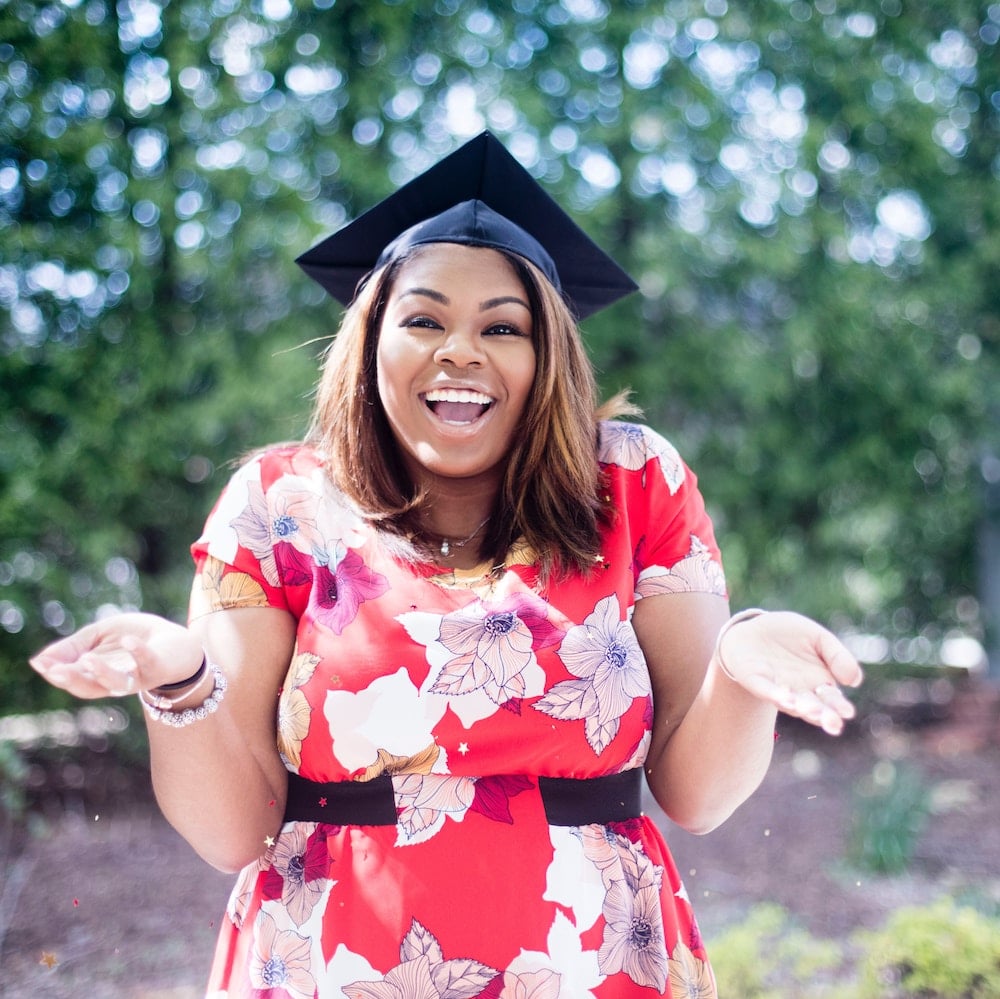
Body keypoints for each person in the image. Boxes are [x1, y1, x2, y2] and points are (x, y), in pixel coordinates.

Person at [29, 131, 862, 998]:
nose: (460, 350)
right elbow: (230, 829)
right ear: (370, 341)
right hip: (333, 964)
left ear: (549, 359)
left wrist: (741, 664)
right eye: (423, 318)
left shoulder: (635, 483)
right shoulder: (277, 506)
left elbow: (699, 795)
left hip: (593, 964)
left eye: (503, 326)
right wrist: (178, 676)